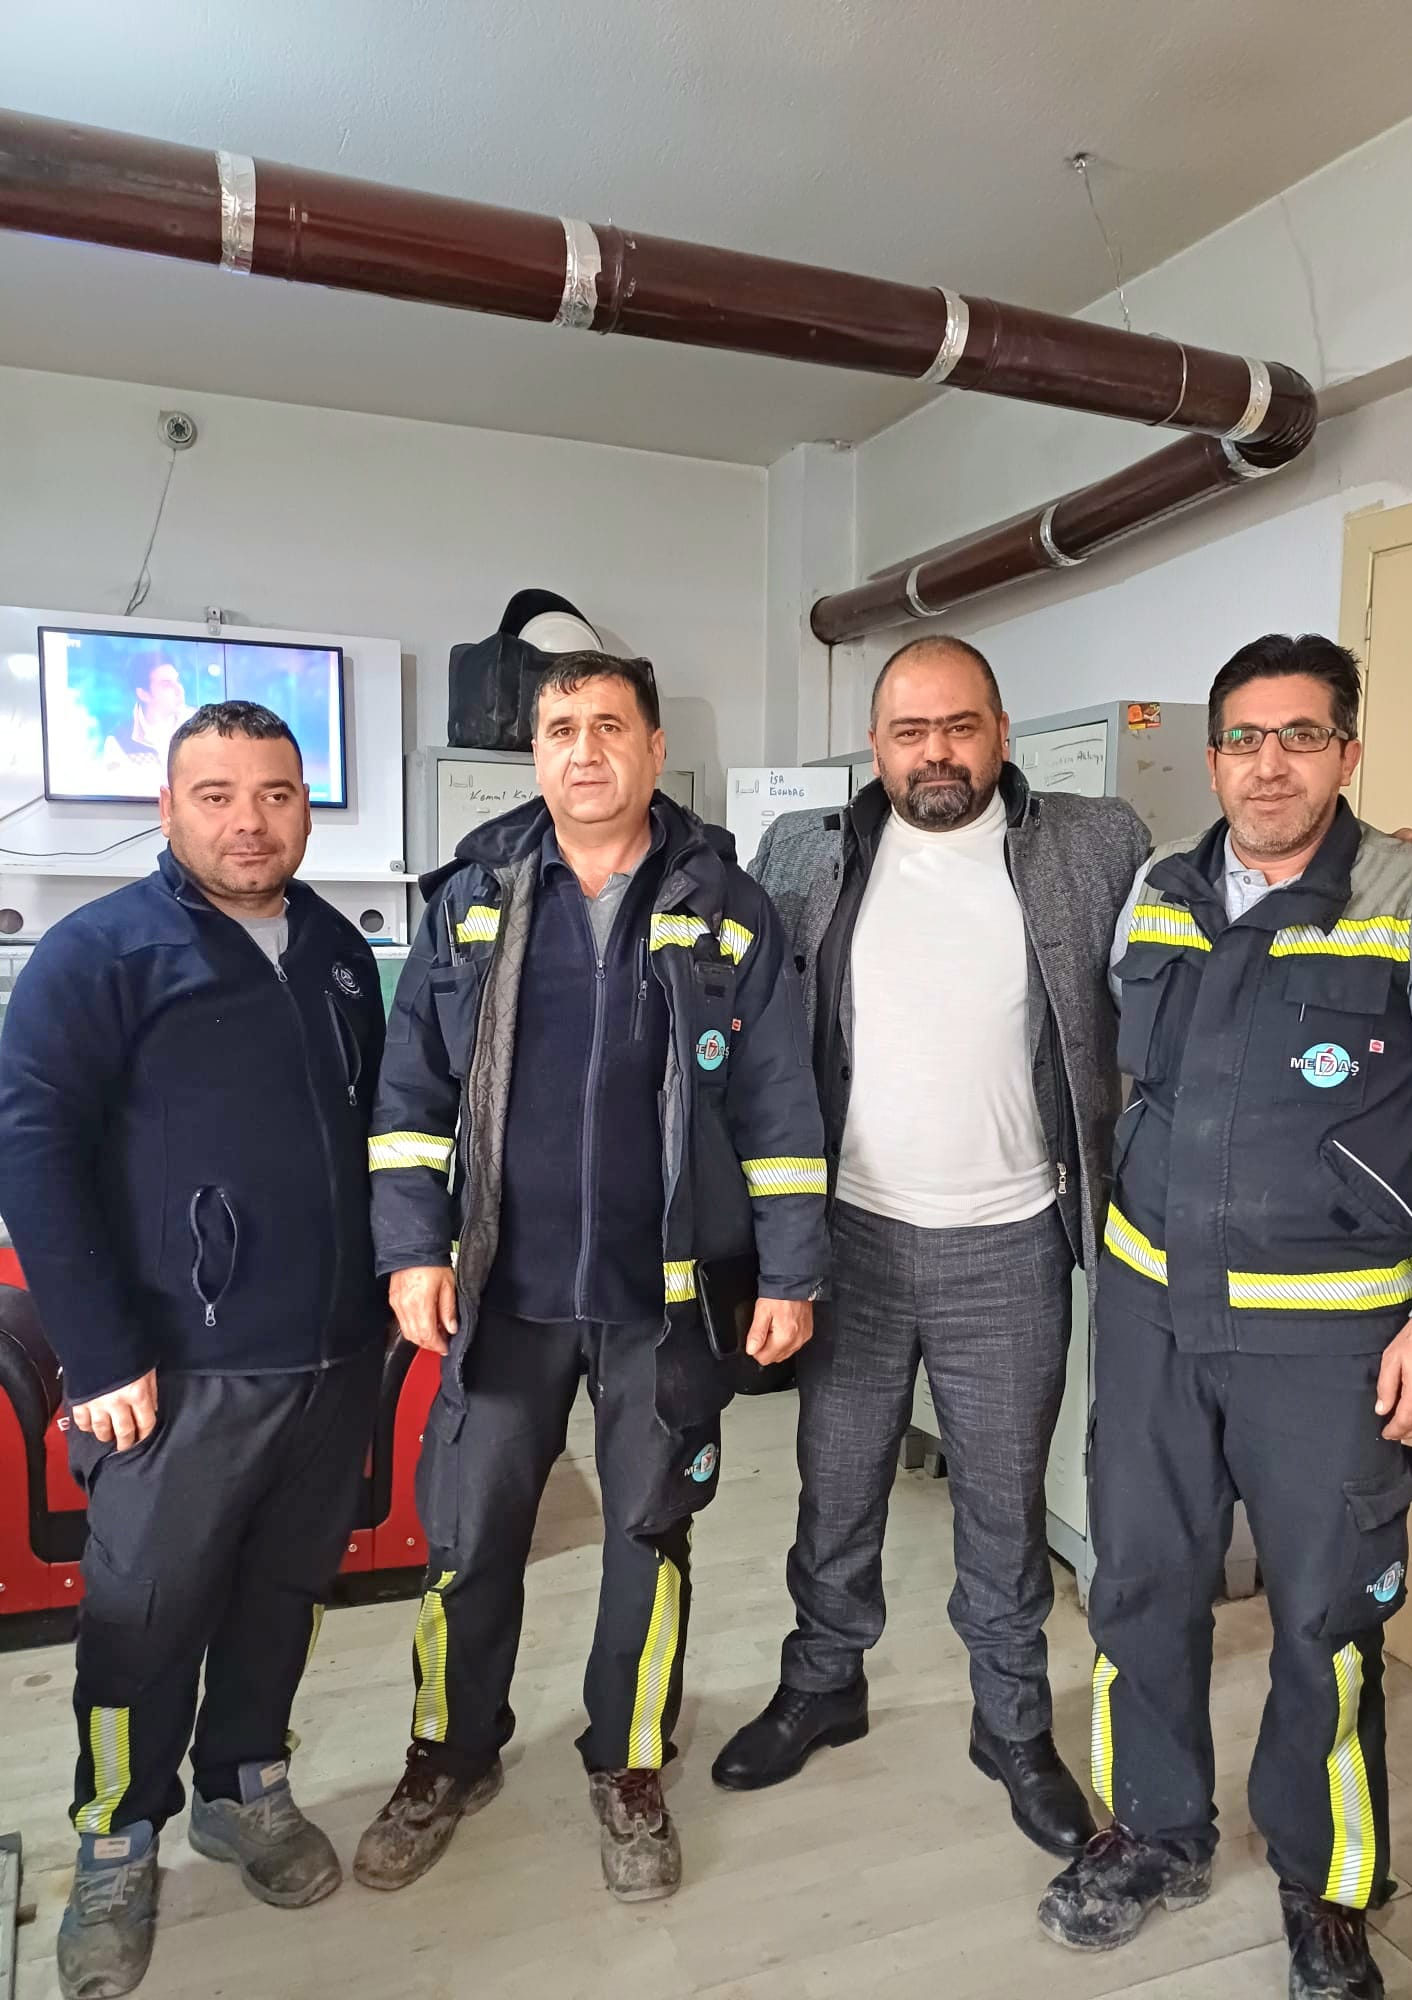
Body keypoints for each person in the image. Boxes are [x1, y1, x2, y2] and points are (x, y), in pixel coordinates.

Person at [1037, 634, 1412, 2000]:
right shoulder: (1159, 895)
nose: (1270, 764)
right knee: (1138, 1582)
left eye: (1301, 735)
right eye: (1244, 737)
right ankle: (1157, 1833)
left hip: (1332, 1338)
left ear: (1347, 751)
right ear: (1214, 756)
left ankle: (1326, 1882)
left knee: (1325, 1617)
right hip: (1154, 1314)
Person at [355, 650, 827, 1903]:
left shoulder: (726, 905)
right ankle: (449, 1751)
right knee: (468, 1536)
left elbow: (780, 1103)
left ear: (655, 748)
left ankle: (629, 1762)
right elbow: (410, 1095)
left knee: (647, 1534)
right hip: (501, 1290)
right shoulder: (473, 895)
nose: (584, 749)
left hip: (661, 1298)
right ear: (535, 752)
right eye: (560, 726)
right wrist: (410, 1246)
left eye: (610, 724)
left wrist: (791, 1270)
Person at [711, 635, 1151, 1859]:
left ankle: (1012, 1723)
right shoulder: (804, 851)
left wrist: (1388, 865)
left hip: (1009, 1242)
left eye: (960, 726)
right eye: (910, 732)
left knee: (1004, 1509)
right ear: (877, 745)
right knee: (836, 1484)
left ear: (1001, 731)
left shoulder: (1095, 843)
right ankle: (823, 1681)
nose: (936, 752)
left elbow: (1219, 900)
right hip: (846, 1234)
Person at [0, 701, 388, 2000]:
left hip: (331, 1357)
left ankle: (244, 1786)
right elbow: (32, 1156)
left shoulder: (336, 950)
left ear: (306, 806)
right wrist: (102, 1352)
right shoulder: (100, 953)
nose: (249, 821)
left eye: (276, 793)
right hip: (174, 1371)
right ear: (167, 809)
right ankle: (116, 1843)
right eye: (216, 795)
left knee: (283, 1596)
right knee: (142, 1622)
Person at [101, 658, 194, 784]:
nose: (179, 690)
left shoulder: (201, 725)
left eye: (178, 681)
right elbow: (119, 788)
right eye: (166, 685)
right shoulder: (119, 741)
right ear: (143, 694)